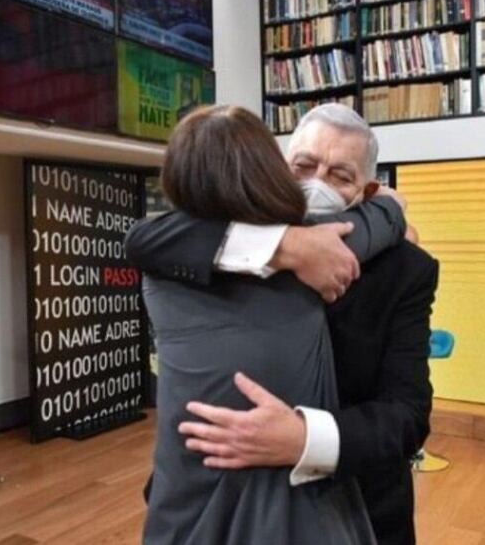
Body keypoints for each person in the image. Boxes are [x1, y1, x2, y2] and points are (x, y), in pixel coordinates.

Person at [126, 104, 439, 545]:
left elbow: (406, 417)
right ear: (279, 170)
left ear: (366, 191)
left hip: (353, 503)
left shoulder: (405, 269)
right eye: (304, 166)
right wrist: (290, 245)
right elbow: (143, 239)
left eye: (340, 176)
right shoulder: (223, 240)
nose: (318, 184)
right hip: (210, 496)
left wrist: (304, 440)